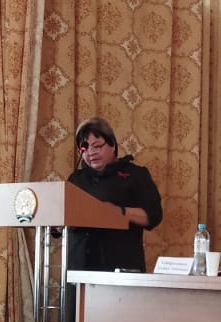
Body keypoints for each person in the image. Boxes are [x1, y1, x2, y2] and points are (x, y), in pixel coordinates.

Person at [66, 117, 163, 273]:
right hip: (79, 269)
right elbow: (58, 227)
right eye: (85, 147)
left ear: (112, 144)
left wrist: (119, 212)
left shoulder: (135, 174)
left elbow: (153, 216)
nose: (91, 152)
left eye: (97, 146)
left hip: (120, 267)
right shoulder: (76, 179)